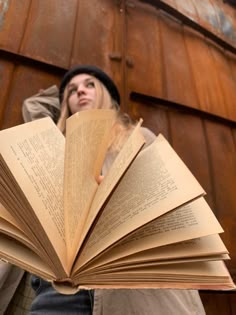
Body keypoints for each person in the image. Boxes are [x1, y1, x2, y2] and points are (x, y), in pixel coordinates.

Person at [22, 65, 206, 315]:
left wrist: (114, 193)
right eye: (72, 91)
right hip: (57, 286)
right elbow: (33, 108)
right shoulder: (55, 144)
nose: (80, 92)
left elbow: (175, 203)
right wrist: (61, 100)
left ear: (107, 95)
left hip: (122, 285)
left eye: (89, 85)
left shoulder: (139, 136)